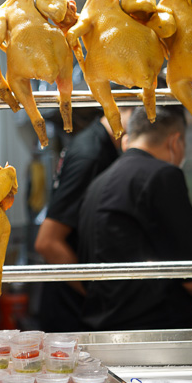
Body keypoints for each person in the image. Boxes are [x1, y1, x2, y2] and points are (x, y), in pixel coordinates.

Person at [76, 106, 192, 331]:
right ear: (175, 142)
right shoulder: (162, 176)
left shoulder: (98, 183)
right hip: (152, 335)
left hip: (102, 335)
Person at [33, 109, 128, 332]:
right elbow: (47, 243)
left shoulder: (99, 144)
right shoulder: (91, 153)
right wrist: (101, 297)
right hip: (73, 312)